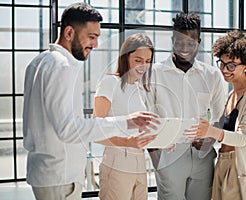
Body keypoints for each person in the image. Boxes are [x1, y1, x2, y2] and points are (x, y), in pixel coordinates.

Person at [22, 3, 159, 200]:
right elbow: (69, 129)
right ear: (69, 32)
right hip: (61, 175)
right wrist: (125, 122)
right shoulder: (62, 67)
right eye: (91, 37)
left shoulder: (39, 62)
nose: (95, 44)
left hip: (46, 171)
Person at [147, 13, 226, 200]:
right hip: (168, 154)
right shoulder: (154, 73)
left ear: (198, 41)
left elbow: (220, 115)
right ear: (172, 40)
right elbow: (147, 117)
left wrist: (209, 141)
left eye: (190, 43)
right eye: (179, 42)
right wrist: (157, 160)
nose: (184, 48)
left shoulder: (212, 75)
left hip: (202, 156)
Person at [186, 30, 246, 199]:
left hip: (239, 169)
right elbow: (226, 132)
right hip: (222, 164)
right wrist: (206, 140)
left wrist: (211, 131)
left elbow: (244, 138)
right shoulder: (232, 94)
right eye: (221, 63)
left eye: (231, 65)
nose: (224, 69)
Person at [93, 33, 154, 200]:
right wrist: (126, 142)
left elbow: (139, 128)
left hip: (140, 162)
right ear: (125, 57)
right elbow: (96, 129)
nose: (143, 66)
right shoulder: (110, 83)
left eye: (148, 61)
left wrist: (162, 138)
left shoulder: (139, 88)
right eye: (138, 60)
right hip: (117, 162)